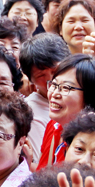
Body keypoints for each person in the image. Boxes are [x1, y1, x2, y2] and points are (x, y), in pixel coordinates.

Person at [36, 53, 95, 170]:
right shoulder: (54, 126)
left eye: (66, 88)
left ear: (92, 97)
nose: (55, 94)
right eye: (54, 84)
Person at [20, 33, 71, 162]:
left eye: (55, 71)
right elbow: (39, 165)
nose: (51, 80)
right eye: (41, 75)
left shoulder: (78, 98)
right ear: (31, 80)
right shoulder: (30, 112)